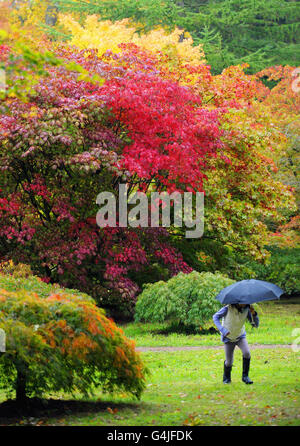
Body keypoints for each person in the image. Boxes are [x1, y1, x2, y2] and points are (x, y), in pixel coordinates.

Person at [212, 303, 259, 384]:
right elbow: (215, 317)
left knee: (247, 353)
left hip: (240, 336)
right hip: (228, 338)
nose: (244, 303)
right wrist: (223, 330)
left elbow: (255, 325)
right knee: (229, 362)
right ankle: (226, 378)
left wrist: (254, 314)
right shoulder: (228, 308)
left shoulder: (247, 310)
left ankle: (245, 377)